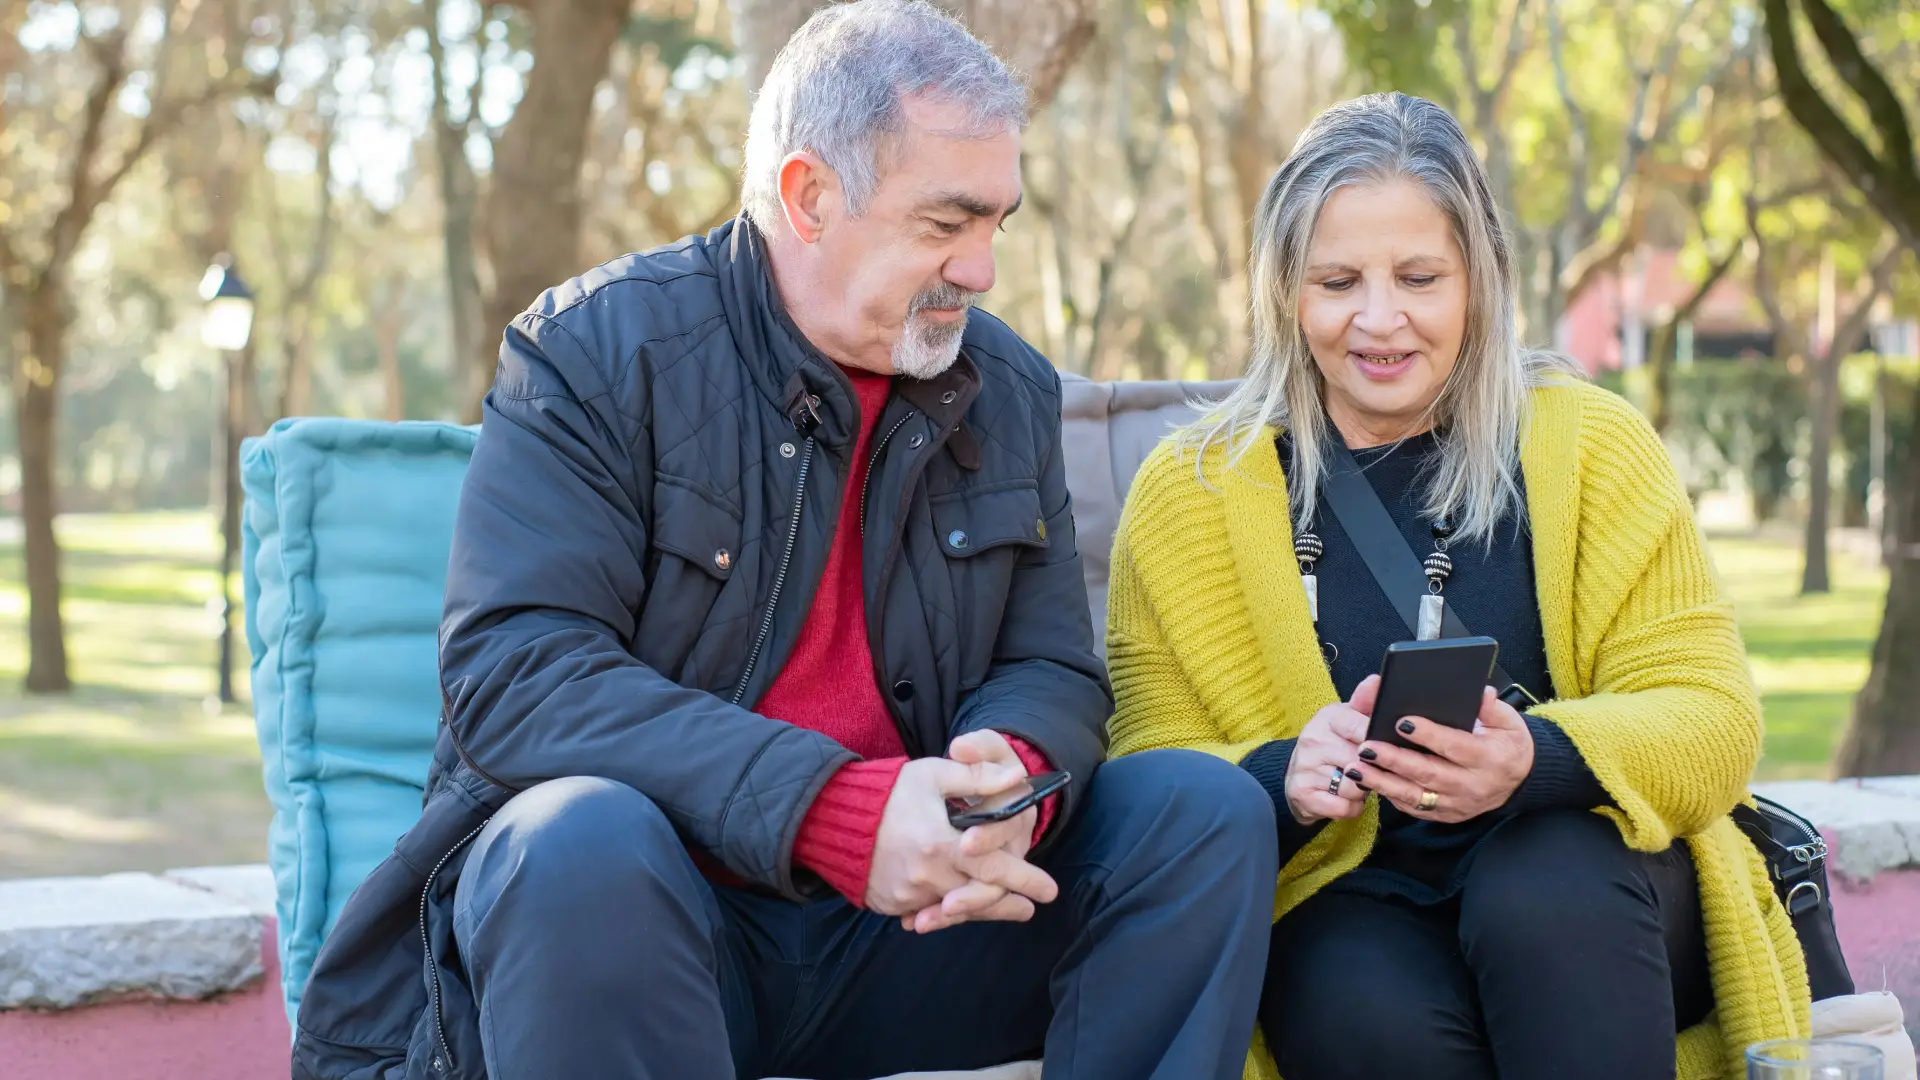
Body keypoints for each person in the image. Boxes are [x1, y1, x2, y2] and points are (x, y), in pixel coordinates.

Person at [288, 4, 1277, 1079]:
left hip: (912, 934)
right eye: (947, 224)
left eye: (999, 223)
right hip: (649, 929)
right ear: (809, 196)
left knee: (1201, 812)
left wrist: (1009, 784)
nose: (983, 269)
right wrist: (830, 812)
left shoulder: (1007, 387)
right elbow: (517, 676)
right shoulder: (590, 353)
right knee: (575, 841)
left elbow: (1048, 664)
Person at [1104, 92, 1809, 1080]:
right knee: (1346, 991)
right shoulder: (1194, 492)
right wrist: (1278, 775)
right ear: (1282, 290)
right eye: (1338, 280)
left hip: (1594, 882)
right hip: (1352, 893)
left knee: (1541, 883)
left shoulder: (1590, 443)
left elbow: (1713, 717)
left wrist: (1539, 759)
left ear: (1480, 278)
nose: (1378, 319)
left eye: (1420, 277)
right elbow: (1143, 769)